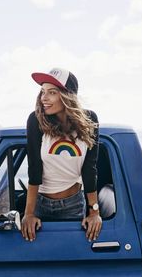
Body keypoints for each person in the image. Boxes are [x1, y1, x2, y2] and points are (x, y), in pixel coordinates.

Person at [21, 68, 102, 242]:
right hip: (41, 204)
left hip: (73, 204)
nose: (44, 98)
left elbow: (90, 168)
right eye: (43, 92)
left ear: (67, 95)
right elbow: (34, 168)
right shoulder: (36, 120)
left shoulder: (90, 120)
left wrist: (94, 212)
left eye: (52, 92)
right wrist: (29, 213)